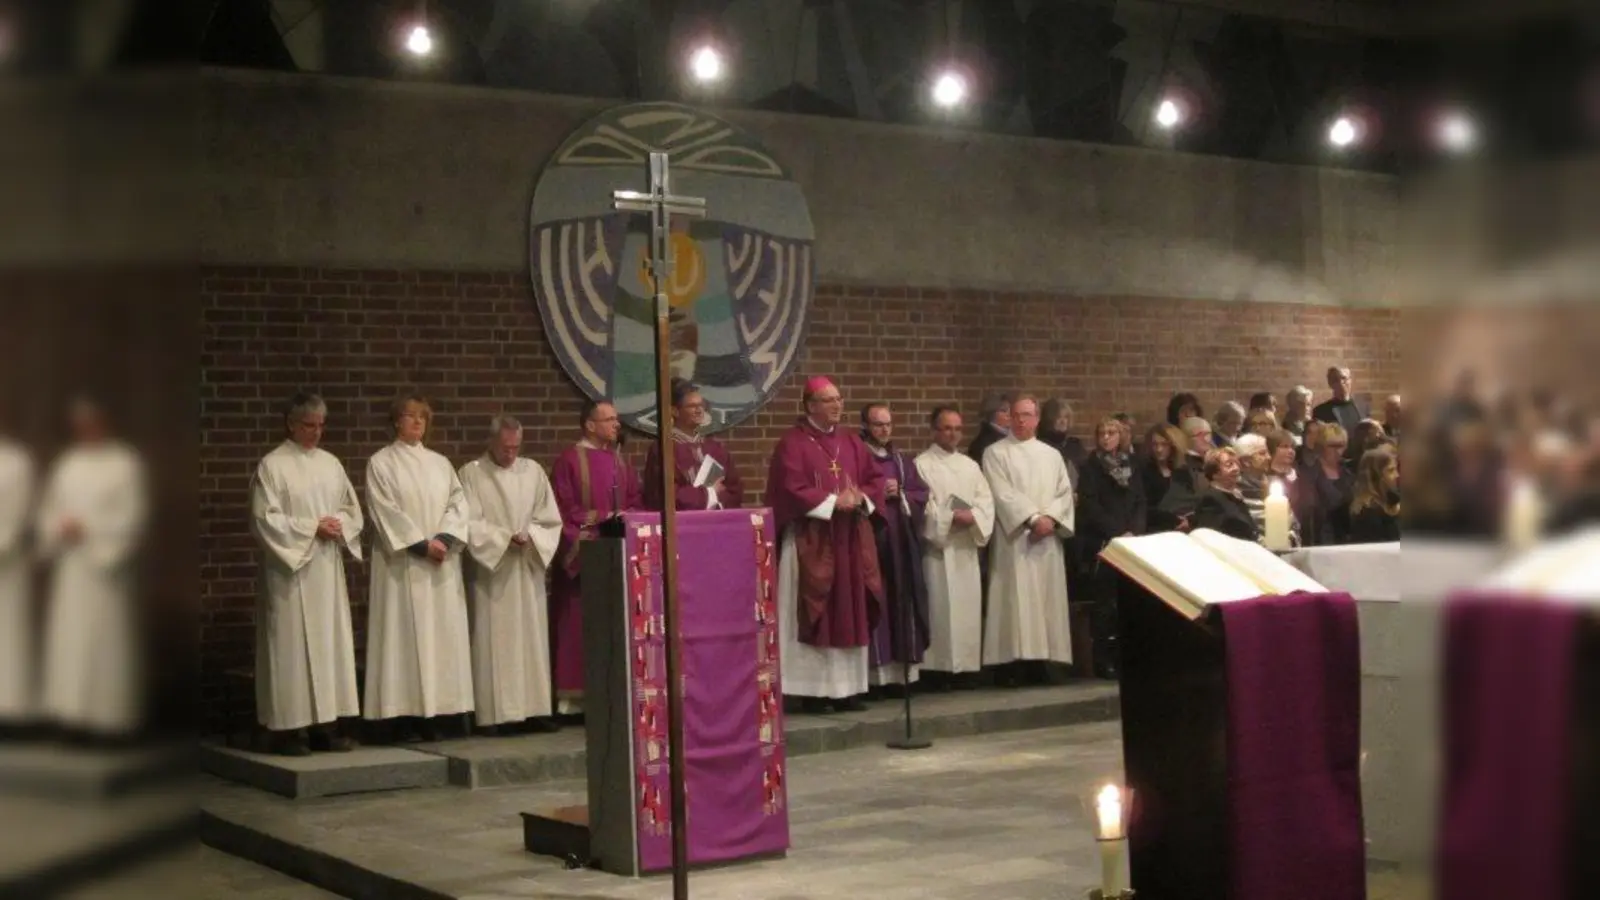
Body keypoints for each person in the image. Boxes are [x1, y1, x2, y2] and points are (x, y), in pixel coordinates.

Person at [249, 392, 364, 755]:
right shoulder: (272, 465)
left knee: (330, 647)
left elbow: (351, 510)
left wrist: (338, 524)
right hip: (292, 573)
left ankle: (325, 727)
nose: (316, 432)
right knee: (291, 649)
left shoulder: (331, 464)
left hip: (326, 571)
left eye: (320, 426)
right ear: (291, 424)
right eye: (309, 425)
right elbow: (264, 518)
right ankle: (288, 730)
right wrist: (311, 528)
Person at [765, 377, 885, 714]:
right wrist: (832, 502)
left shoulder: (851, 442)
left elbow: (874, 479)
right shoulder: (792, 444)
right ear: (810, 405)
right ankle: (812, 692)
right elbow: (788, 487)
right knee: (813, 609)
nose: (837, 405)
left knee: (851, 609)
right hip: (812, 541)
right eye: (828, 399)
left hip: (849, 541)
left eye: (839, 399)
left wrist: (860, 496)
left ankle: (847, 690)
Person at [36, 398, 148, 740]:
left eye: (92, 423)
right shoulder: (67, 463)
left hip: (103, 572)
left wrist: (90, 529)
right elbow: (49, 511)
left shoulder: (124, 463)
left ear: (104, 423)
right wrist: (59, 528)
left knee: (103, 643)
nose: (87, 430)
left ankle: (108, 721)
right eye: (81, 425)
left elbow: (131, 516)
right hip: (72, 568)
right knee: (70, 641)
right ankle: (70, 717)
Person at [365, 395, 473, 742]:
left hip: (440, 564)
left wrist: (442, 538)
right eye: (409, 416)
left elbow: (459, 504)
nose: (416, 422)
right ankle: (401, 717)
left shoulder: (441, 463)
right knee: (403, 639)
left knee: (440, 639)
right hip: (403, 565)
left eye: (422, 418)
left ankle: (440, 714)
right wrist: (421, 545)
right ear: (396, 421)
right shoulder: (381, 463)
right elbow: (385, 510)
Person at [460, 415, 565, 735]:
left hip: (526, 566)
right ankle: (494, 715)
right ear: (491, 442)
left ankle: (534, 709)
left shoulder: (531, 471)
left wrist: (531, 535)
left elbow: (549, 518)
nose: (511, 454)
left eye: (516, 447)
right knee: (495, 641)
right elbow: (468, 522)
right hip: (494, 572)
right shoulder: (472, 473)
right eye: (505, 448)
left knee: (531, 640)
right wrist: (504, 537)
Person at [550, 399, 643, 719]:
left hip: (615, 554)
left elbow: (635, 501)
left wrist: (625, 519)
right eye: (610, 420)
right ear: (589, 424)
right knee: (578, 623)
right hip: (587, 556)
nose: (617, 425)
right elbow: (562, 510)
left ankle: (610, 693)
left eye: (617, 419)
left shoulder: (620, 462)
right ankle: (573, 699)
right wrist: (601, 522)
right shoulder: (569, 460)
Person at [981, 395, 1075, 686]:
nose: (1022, 420)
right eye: (1016, 415)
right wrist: (1033, 518)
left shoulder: (1052, 455)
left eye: (1028, 415)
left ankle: (1045, 663)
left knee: (1046, 601)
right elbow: (1002, 493)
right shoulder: (995, 453)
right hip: (1017, 540)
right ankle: (1012, 666)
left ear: (1037, 419)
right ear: (1008, 417)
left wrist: (1050, 519)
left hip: (1046, 541)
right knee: (1014, 600)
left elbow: (1064, 493)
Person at [914, 407, 994, 690]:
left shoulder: (970, 465)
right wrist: (949, 518)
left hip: (965, 549)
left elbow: (986, 501)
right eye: (947, 428)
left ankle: (966, 669)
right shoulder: (922, 464)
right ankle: (937, 671)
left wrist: (974, 517)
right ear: (934, 430)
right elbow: (924, 505)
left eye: (958, 428)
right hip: (939, 550)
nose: (953, 433)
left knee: (966, 609)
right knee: (939, 609)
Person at [860, 403, 930, 693]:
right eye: (878, 424)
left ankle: (900, 676)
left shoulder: (901, 462)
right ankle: (875, 677)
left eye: (888, 424)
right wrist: (879, 492)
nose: (884, 430)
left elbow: (920, 493)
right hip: (871, 540)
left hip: (899, 544)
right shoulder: (859, 457)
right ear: (866, 426)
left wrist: (901, 493)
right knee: (876, 602)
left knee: (901, 600)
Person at [1075, 418, 1146, 678]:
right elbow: (1090, 506)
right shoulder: (1091, 467)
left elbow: (1140, 500)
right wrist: (1117, 532)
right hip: (1104, 540)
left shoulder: (1133, 465)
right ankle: (1104, 659)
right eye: (1102, 433)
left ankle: (1128, 655)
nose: (1107, 438)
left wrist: (1135, 531)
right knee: (1105, 603)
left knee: (1129, 601)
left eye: (1112, 433)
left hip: (1131, 541)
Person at [642, 379, 743, 512]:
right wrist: (709, 494)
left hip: (717, 523)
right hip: (681, 526)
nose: (699, 410)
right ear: (675, 411)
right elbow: (664, 495)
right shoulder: (663, 449)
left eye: (701, 405)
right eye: (692, 406)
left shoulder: (716, 449)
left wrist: (719, 499)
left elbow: (734, 490)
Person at [0, 432, 33, 733]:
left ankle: (9, 716)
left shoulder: (15, 463)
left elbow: (17, 511)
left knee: (6, 639)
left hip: (5, 570)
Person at [1140, 423, 1205, 533]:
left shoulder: (1184, 471)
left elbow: (1195, 501)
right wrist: (1173, 519)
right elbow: (1142, 507)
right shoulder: (1144, 471)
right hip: (1158, 528)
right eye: (1155, 445)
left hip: (1188, 527)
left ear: (1173, 446)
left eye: (1164, 444)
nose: (1159, 449)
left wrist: (1189, 520)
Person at [1298, 422, 1355, 546]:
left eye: (1341, 446)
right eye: (1332, 446)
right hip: (1322, 540)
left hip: (1347, 538)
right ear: (1321, 446)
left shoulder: (1349, 473)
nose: (1338, 451)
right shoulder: (1309, 474)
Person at [1194, 447, 1258, 541]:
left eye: (1237, 463)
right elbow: (1212, 537)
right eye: (1229, 465)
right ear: (1215, 473)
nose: (1236, 468)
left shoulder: (1236, 495)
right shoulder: (1209, 499)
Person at [1349, 446, 1401, 543]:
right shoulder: (1367, 513)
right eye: (1391, 470)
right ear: (1375, 476)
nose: (1397, 475)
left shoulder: (1393, 500)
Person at [1313, 367, 1367, 459]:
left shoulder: (1363, 407)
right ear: (1330, 384)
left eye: (1344, 378)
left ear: (1350, 381)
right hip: (1337, 460)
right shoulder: (1321, 411)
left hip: (1360, 460)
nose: (1341, 382)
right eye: (1336, 380)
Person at [967, 392, 1013, 467]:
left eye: (1010, 410)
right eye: (1003, 411)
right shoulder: (983, 443)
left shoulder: (1012, 436)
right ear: (991, 414)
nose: (1009, 414)